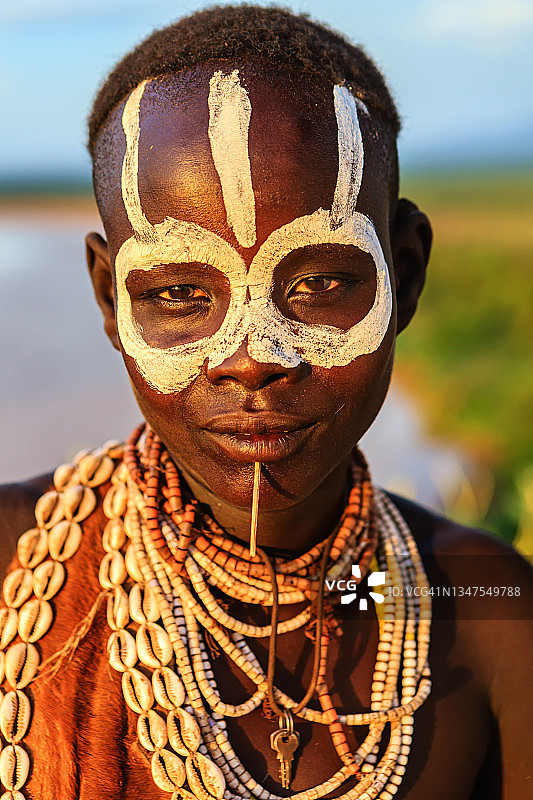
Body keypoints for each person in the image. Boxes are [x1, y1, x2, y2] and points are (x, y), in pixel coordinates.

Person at [0, 6, 531, 800]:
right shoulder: (14, 567)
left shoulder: (482, 606)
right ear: (110, 299)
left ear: (405, 273)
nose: (251, 357)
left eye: (318, 281)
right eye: (178, 292)